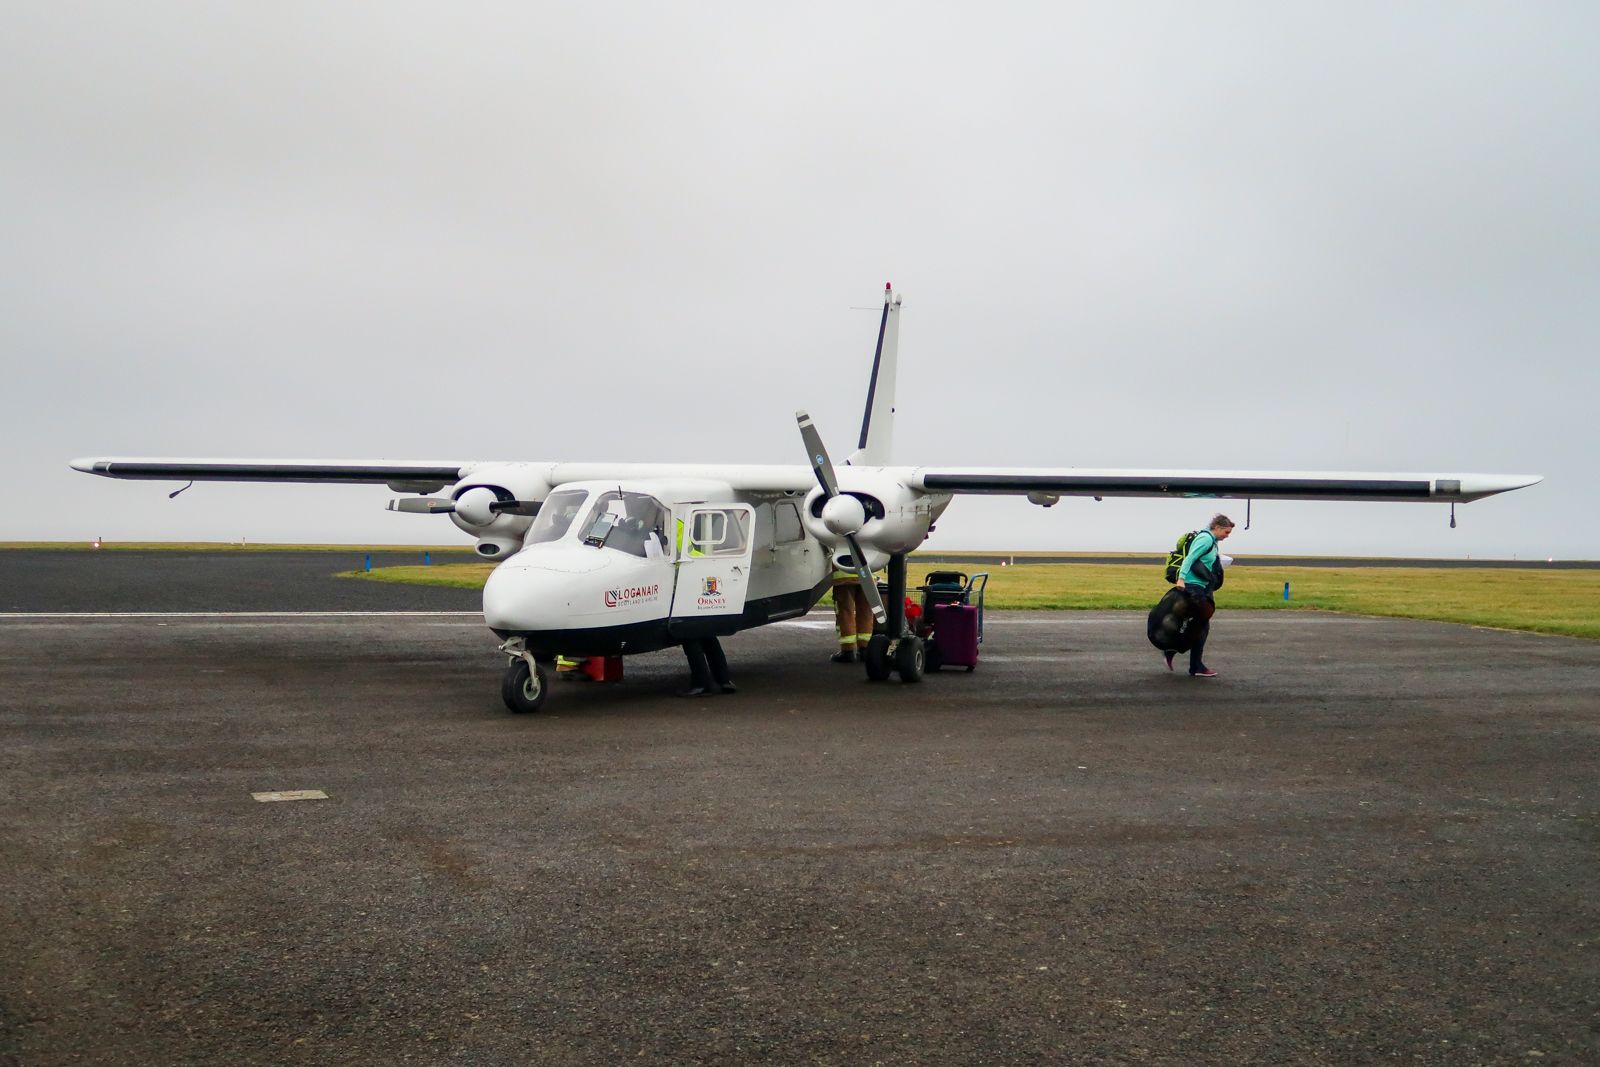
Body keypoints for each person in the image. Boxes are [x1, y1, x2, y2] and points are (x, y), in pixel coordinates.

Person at [1174, 514, 1235, 677]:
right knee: (1201, 626)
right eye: (1226, 532)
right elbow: (1190, 558)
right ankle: (1194, 665)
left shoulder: (1212, 541)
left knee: (1197, 625)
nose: (1227, 536)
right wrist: (1181, 579)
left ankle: (1176, 653)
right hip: (1194, 587)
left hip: (1201, 586)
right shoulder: (1206, 539)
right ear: (1217, 527)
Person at [829, 554, 878, 663]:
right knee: (866, 612)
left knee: (845, 612)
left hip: (844, 576)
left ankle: (848, 650)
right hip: (868, 574)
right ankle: (865, 649)